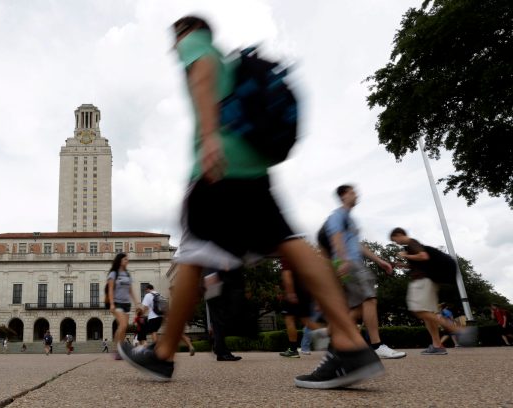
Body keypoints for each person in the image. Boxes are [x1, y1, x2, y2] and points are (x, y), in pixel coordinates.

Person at [119, 16, 385, 389]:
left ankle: (162, 355)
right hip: (253, 169)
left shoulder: (197, 47)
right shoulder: (231, 60)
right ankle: (350, 343)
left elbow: (202, 69)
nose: (173, 49)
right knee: (290, 244)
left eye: (173, 40)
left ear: (184, 34)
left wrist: (210, 137)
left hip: (217, 168)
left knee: (193, 255)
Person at [324, 186, 405, 360]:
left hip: (351, 261)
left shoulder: (350, 220)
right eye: (352, 192)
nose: (356, 194)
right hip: (350, 262)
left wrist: (380, 261)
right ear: (343, 195)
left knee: (359, 307)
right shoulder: (338, 215)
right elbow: (336, 237)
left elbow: (358, 245)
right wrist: (343, 260)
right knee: (369, 298)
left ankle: (335, 336)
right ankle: (376, 345)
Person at [390, 228, 475, 354]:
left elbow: (423, 256)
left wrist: (405, 255)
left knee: (418, 310)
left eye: (394, 239)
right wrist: (402, 265)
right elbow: (420, 262)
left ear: (399, 235)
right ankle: (437, 346)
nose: (396, 242)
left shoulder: (411, 243)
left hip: (422, 282)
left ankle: (459, 330)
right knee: (428, 316)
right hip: (428, 281)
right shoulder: (412, 245)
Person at [278, 260, 323, 358]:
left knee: (289, 319)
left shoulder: (287, 255)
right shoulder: (300, 256)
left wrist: (290, 293)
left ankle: (293, 349)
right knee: (307, 321)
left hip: (295, 292)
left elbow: (287, 275)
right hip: (305, 292)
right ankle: (334, 338)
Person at [107, 252, 141, 360]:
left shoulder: (127, 274)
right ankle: (117, 349)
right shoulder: (113, 273)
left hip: (126, 304)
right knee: (122, 325)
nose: (128, 261)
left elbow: (131, 290)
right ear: (120, 261)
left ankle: (120, 349)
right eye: (125, 259)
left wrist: (137, 303)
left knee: (124, 327)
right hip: (117, 303)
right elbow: (110, 290)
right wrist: (111, 303)